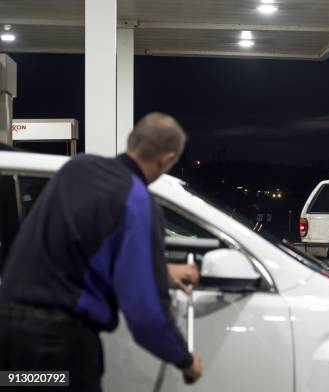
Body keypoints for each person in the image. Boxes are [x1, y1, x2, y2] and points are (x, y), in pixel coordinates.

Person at [0, 113, 202, 391]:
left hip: (10, 338)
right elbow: (146, 316)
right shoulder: (137, 201)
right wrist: (186, 361)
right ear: (166, 160)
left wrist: (160, 270)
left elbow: (76, 246)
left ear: (132, 141)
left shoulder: (77, 168)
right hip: (56, 350)